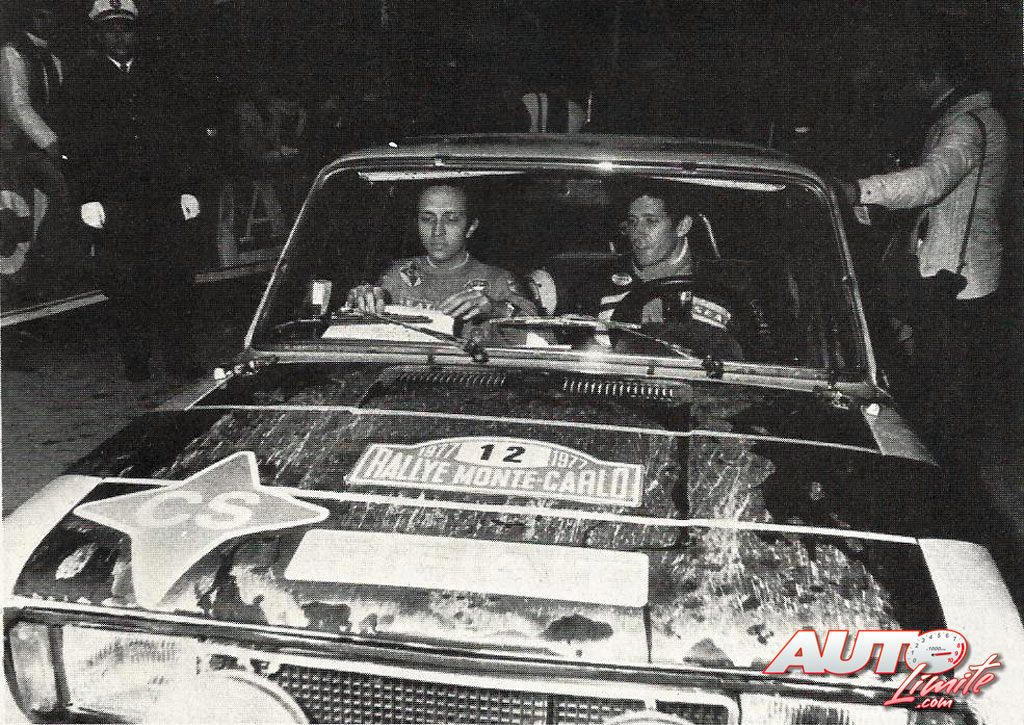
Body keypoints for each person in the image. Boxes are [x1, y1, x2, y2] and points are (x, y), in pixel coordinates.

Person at [839, 35, 1010, 447]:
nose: (911, 88)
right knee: (947, 387)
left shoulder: (966, 126)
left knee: (944, 393)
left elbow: (931, 182)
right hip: (959, 272)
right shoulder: (973, 119)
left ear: (937, 78)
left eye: (916, 79)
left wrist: (860, 190)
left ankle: (943, 465)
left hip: (956, 278)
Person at [64, 0, 203, 381]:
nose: (119, 38)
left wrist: (188, 188)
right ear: (98, 36)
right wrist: (87, 197)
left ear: (136, 33)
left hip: (162, 198)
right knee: (126, 283)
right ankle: (137, 361)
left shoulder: (160, 75)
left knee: (174, 279)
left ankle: (179, 359)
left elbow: (184, 136)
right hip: (116, 201)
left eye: (125, 29)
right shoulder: (82, 80)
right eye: (110, 31)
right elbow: (74, 145)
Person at [583, 186, 743, 359]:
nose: (637, 233)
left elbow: (750, 357)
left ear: (682, 226)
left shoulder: (726, 285)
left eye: (651, 221)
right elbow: (580, 350)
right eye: (632, 221)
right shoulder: (601, 281)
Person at [347, 184, 536, 324]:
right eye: (427, 219)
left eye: (451, 219)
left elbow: (540, 332)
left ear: (471, 227)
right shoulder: (397, 274)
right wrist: (363, 298)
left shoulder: (498, 280)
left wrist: (495, 308)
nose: (437, 231)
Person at [0, 0, 70, 295]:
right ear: (29, 16)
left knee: (50, 202)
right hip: (13, 146)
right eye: (41, 15)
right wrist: (50, 141)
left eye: (51, 16)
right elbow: (17, 105)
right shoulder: (11, 52)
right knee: (25, 206)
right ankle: (20, 274)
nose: (47, 21)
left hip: (41, 146)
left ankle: (40, 268)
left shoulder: (54, 59)